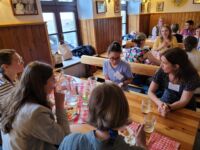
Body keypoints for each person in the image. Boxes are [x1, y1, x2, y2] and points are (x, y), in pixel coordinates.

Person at [0, 61, 70, 150]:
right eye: (53, 78)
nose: (55, 82)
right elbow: (66, 139)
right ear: (41, 84)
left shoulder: (14, 97)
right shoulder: (36, 112)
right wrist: (59, 105)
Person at [59, 83, 147, 150]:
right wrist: (142, 144)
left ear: (90, 110)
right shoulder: (126, 148)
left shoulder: (70, 141)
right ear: (123, 114)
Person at [148, 48, 200, 116]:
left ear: (176, 66)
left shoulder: (191, 76)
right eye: (161, 62)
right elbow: (150, 91)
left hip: (185, 107)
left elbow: (183, 101)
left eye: (164, 63)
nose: (161, 65)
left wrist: (169, 107)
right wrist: (160, 103)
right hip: (166, 100)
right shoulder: (163, 70)